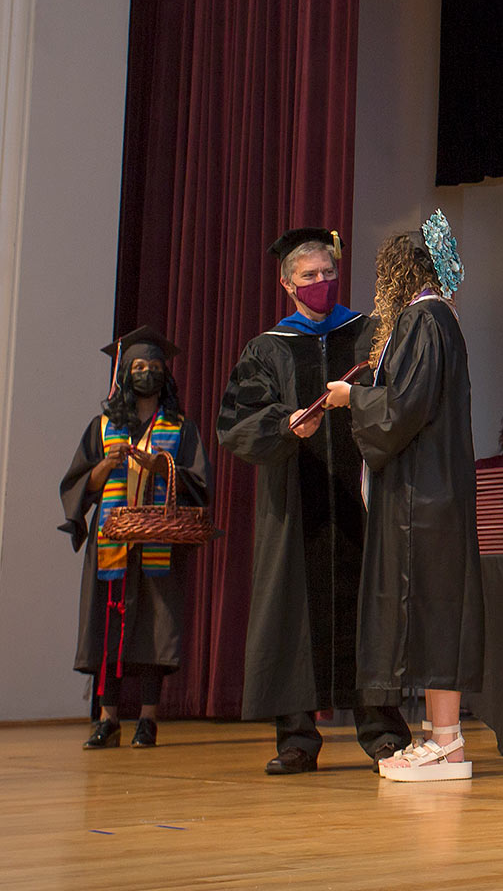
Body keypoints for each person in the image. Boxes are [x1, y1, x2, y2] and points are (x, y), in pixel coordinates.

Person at [217, 228, 410, 775]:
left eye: (328, 273)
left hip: (365, 498)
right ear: (286, 285)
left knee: (370, 610)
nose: (322, 283)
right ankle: (297, 739)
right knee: (289, 615)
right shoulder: (268, 348)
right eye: (309, 276)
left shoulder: (370, 334)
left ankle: (382, 733)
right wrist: (284, 423)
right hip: (295, 505)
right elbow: (236, 422)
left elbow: (400, 399)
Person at [325, 213, 485, 781]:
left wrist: (353, 398)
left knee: (436, 612)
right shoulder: (437, 319)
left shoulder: (425, 317)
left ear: (400, 273)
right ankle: (439, 737)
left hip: (425, 500)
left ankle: (447, 740)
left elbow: (403, 409)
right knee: (432, 613)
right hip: (429, 492)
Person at [60, 327, 211, 751]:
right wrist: (105, 466)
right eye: (138, 367)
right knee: (107, 624)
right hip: (112, 544)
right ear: (124, 374)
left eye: (154, 367)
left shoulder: (180, 428)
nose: (146, 373)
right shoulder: (103, 426)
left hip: (159, 542)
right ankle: (108, 719)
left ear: (166, 375)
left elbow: (200, 482)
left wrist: (161, 467)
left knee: (154, 630)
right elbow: (77, 484)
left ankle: (148, 719)